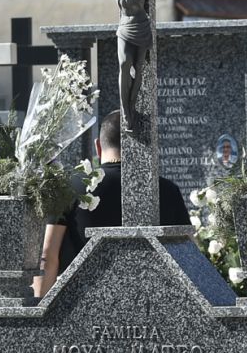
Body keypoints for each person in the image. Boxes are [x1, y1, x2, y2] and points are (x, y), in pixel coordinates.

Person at [36, 110, 191, 296]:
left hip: (82, 303)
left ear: (98, 147)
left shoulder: (70, 187)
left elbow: (48, 255)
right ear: (145, 148)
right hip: (150, 303)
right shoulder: (168, 190)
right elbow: (189, 255)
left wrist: (37, 311)